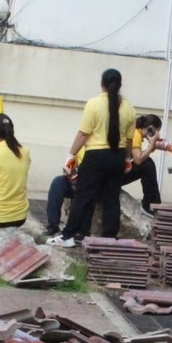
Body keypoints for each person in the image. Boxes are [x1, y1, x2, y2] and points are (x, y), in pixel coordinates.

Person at [54, 68, 139, 247]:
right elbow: (129, 140)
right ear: (120, 85)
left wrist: (71, 155)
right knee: (111, 198)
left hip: (95, 156)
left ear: (102, 84)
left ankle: (68, 235)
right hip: (117, 157)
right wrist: (127, 160)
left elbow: (84, 134)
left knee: (83, 196)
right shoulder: (129, 108)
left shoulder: (93, 104)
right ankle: (108, 238)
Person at [123, 113, 169, 213]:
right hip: (112, 175)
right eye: (156, 132)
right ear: (150, 129)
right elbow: (138, 160)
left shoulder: (136, 133)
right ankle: (150, 205)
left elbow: (138, 157)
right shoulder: (135, 134)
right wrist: (152, 145)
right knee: (147, 165)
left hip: (114, 170)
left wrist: (153, 147)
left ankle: (153, 204)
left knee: (147, 163)